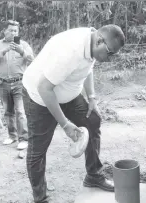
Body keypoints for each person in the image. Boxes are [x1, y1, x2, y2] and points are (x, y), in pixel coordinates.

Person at [22, 24, 125, 202]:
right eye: (110, 53)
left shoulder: (92, 43)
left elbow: (88, 68)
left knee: (92, 120)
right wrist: (64, 124)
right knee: (38, 149)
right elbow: (44, 88)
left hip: (68, 94)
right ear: (99, 40)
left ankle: (93, 175)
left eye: (113, 55)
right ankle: (40, 197)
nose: (110, 59)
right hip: (39, 97)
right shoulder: (70, 51)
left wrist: (91, 97)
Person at [0, 20, 34, 150]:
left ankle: (24, 139)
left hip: (19, 83)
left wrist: (22, 52)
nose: (14, 33)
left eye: (16, 31)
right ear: (5, 31)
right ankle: (12, 136)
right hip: (2, 83)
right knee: (8, 112)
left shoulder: (24, 44)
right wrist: (6, 49)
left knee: (20, 111)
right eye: (11, 30)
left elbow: (32, 59)